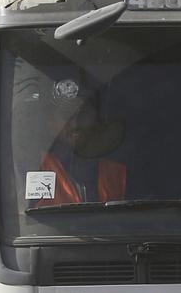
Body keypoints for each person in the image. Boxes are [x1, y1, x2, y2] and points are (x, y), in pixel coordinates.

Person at [29, 80, 127, 208]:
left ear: (96, 119)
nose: (75, 124)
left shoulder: (117, 173)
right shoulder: (34, 167)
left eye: (83, 114)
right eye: (66, 115)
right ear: (50, 124)